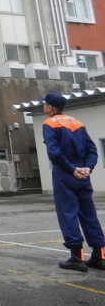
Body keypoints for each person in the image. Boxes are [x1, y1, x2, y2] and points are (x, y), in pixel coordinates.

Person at [42, 91, 105, 272]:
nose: (43, 106)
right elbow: (92, 149)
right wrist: (87, 168)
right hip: (83, 174)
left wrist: (71, 168)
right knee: (88, 213)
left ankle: (77, 257)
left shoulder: (49, 124)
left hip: (65, 172)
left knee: (67, 212)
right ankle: (99, 256)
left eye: (45, 104)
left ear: (50, 107)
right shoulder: (77, 123)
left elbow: (54, 152)